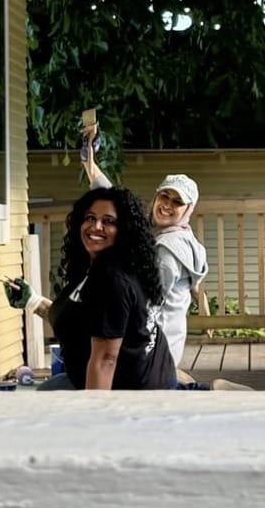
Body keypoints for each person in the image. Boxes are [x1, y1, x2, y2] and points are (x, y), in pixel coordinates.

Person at [76, 145, 210, 371]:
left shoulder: (169, 250)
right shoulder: (159, 233)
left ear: (188, 209)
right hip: (155, 348)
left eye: (177, 202)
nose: (167, 204)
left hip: (152, 354)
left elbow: (149, 308)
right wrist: (89, 162)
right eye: (164, 196)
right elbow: (119, 203)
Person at [38, 187, 174, 391]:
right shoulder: (92, 266)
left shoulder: (112, 278)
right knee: (46, 390)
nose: (96, 226)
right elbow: (77, 319)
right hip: (143, 377)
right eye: (90, 218)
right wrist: (32, 301)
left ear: (124, 229)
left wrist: (98, 416)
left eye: (108, 221)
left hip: (135, 394)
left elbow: (106, 359)